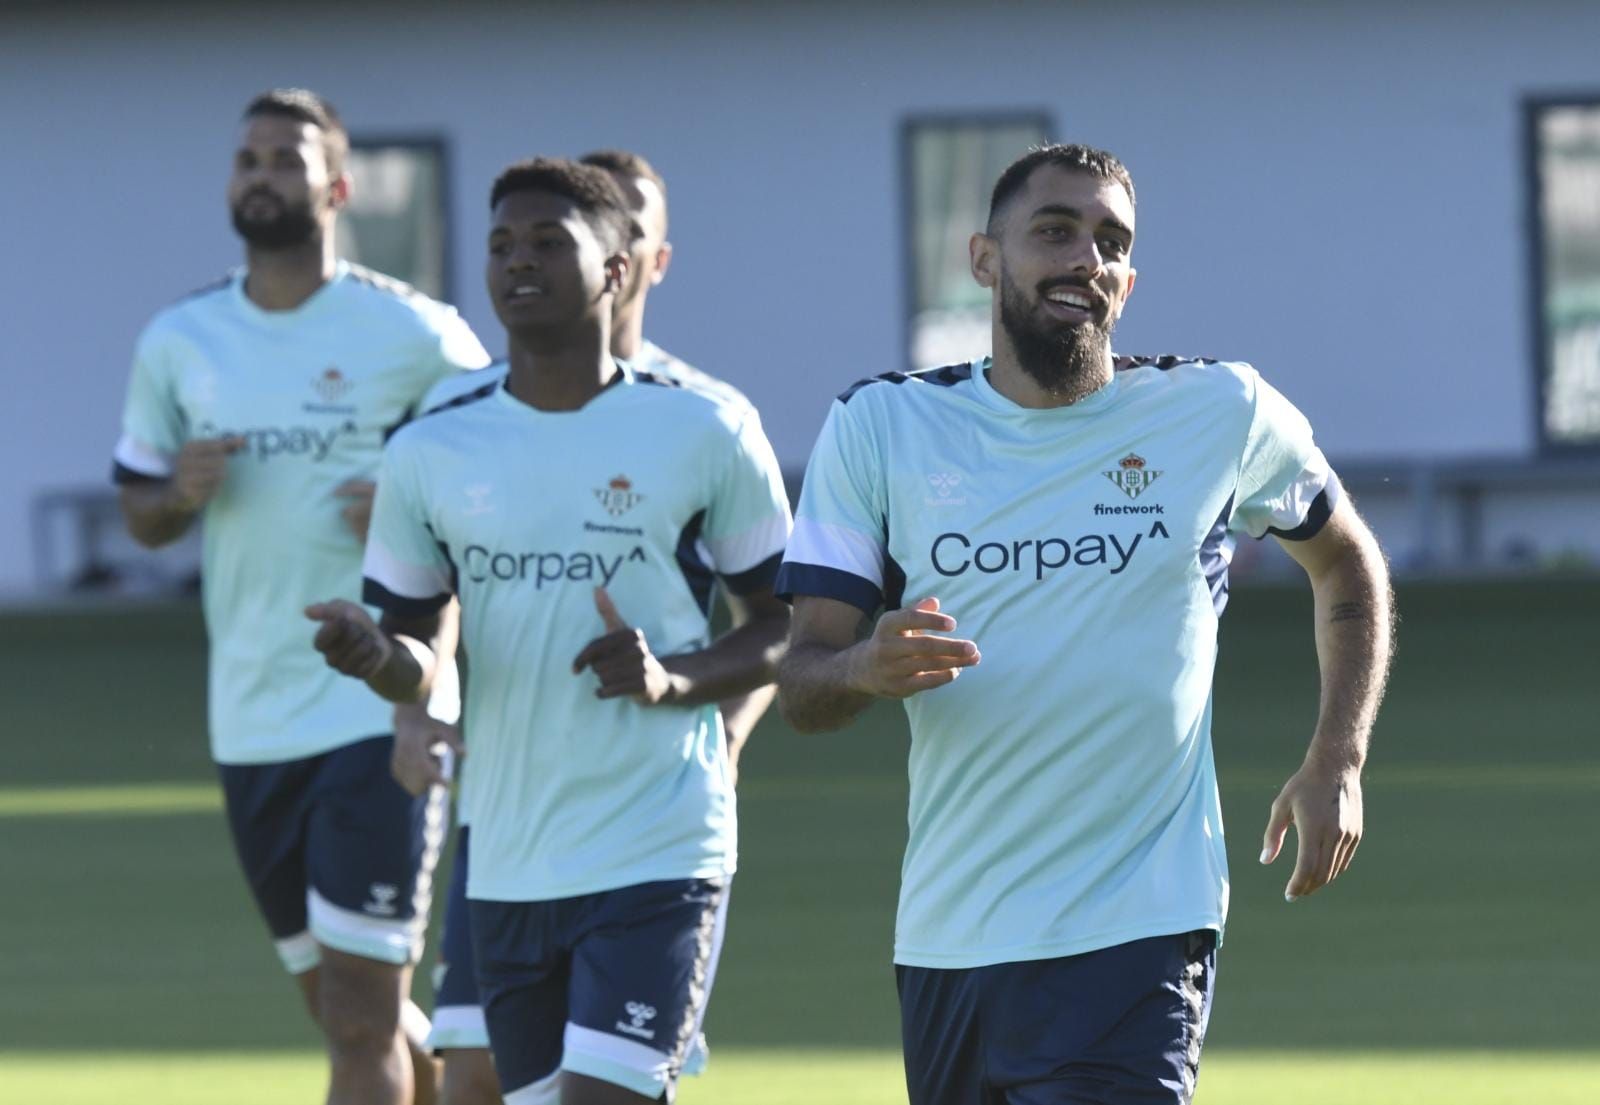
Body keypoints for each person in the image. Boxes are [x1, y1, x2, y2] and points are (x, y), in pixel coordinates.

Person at [774, 143, 1394, 1105]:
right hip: (951, 938)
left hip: (1139, 930)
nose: (1086, 260)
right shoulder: (879, 427)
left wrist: (1337, 757)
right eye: (1055, 231)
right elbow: (801, 682)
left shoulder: (1218, 411)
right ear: (984, 258)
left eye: (1111, 242)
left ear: (1131, 279)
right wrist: (864, 665)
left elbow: (1345, 558)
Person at [308, 157, 792, 1105]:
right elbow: (416, 650)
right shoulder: (432, 448)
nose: (516, 261)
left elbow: (786, 624)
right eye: (499, 244)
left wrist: (675, 679)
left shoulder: (707, 428)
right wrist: (378, 659)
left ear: (620, 270)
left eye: (547, 241)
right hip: (509, 857)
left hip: (660, 845)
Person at [112, 88, 491, 1105]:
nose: (261, 175)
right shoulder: (180, 338)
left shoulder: (415, 333)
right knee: (342, 1007)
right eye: (247, 159)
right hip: (249, 715)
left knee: (363, 1012)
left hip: (380, 698)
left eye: (285, 157)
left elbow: (504, 472)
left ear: (337, 185)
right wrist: (176, 495)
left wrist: (418, 499)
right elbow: (138, 510)